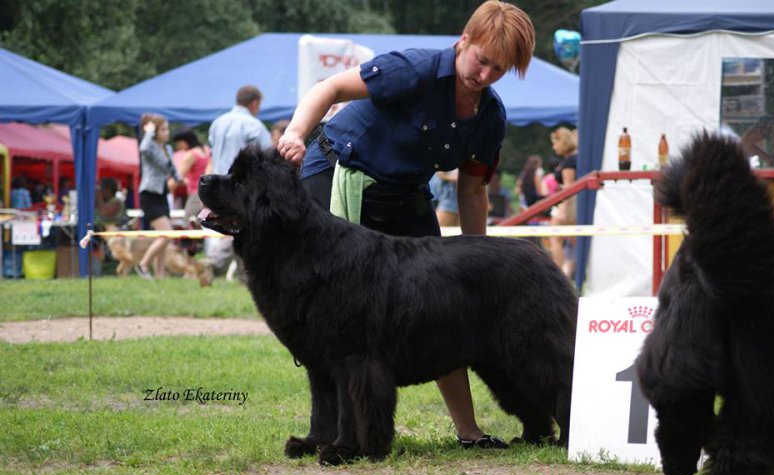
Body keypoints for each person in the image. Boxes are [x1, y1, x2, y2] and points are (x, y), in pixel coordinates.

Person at [278, 0, 535, 449]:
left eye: (500, 69)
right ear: (464, 40)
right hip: (335, 171)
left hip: (403, 192)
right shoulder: (411, 70)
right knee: (335, 311)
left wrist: (475, 263)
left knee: (446, 306)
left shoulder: (489, 118)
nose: (486, 75)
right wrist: (295, 133)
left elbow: (474, 192)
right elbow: (329, 89)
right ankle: (329, 434)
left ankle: (469, 432)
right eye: (482, 61)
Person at [206, 86, 271, 275]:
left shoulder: (217, 123)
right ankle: (214, 262)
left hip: (216, 186)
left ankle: (242, 271)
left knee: (230, 225)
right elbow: (266, 157)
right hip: (240, 187)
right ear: (255, 103)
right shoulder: (253, 125)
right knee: (242, 227)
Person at [136, 113, 182, 280]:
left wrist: (179, 179)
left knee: (163, 236)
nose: (167, 132)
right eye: (162, 129)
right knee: (167, 233)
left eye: (167, 129)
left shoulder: (167, 148)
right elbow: (143, 148)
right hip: (149, 194)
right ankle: (143, 265)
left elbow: (170, 167)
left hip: (162, 193)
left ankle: (160, 274)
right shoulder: (149, 145)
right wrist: (148, 132)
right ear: (154, 131)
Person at [548, 127, 578, 279]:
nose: (554, 147)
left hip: (568, 206)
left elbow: (568, 187)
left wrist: (564, 211)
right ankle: (567, 272)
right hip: (573, 205)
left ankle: (558, 275)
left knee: (555, 238)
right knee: (575, 241)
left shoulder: (568, 162)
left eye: (555, 143)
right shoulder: (575, 158)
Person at [171, 127, 210, 227]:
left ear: (185, 141)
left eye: (179, 143)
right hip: (207, 192)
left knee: (187, 225)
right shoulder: (206, 150)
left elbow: (178, 177)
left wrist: (166, 188)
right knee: (200, 224)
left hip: (195, 194)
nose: (179, 147)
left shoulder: (190, 155)